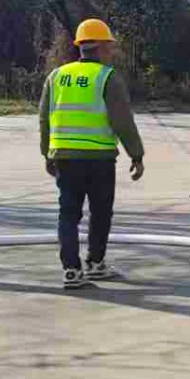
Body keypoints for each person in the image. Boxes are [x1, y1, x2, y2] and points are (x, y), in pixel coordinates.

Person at [39, 18, 146, 290]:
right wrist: (136, 155)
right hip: (99, 159)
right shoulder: (107, 77)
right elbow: (123, 120)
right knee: (100, 212)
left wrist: (47, 154)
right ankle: (96, 263)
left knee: (68, 214)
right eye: (109, 46)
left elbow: (44, 118)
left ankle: (71, 271)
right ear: (100, 47)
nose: (111, 51)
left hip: (65, 158)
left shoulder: (56, 76)